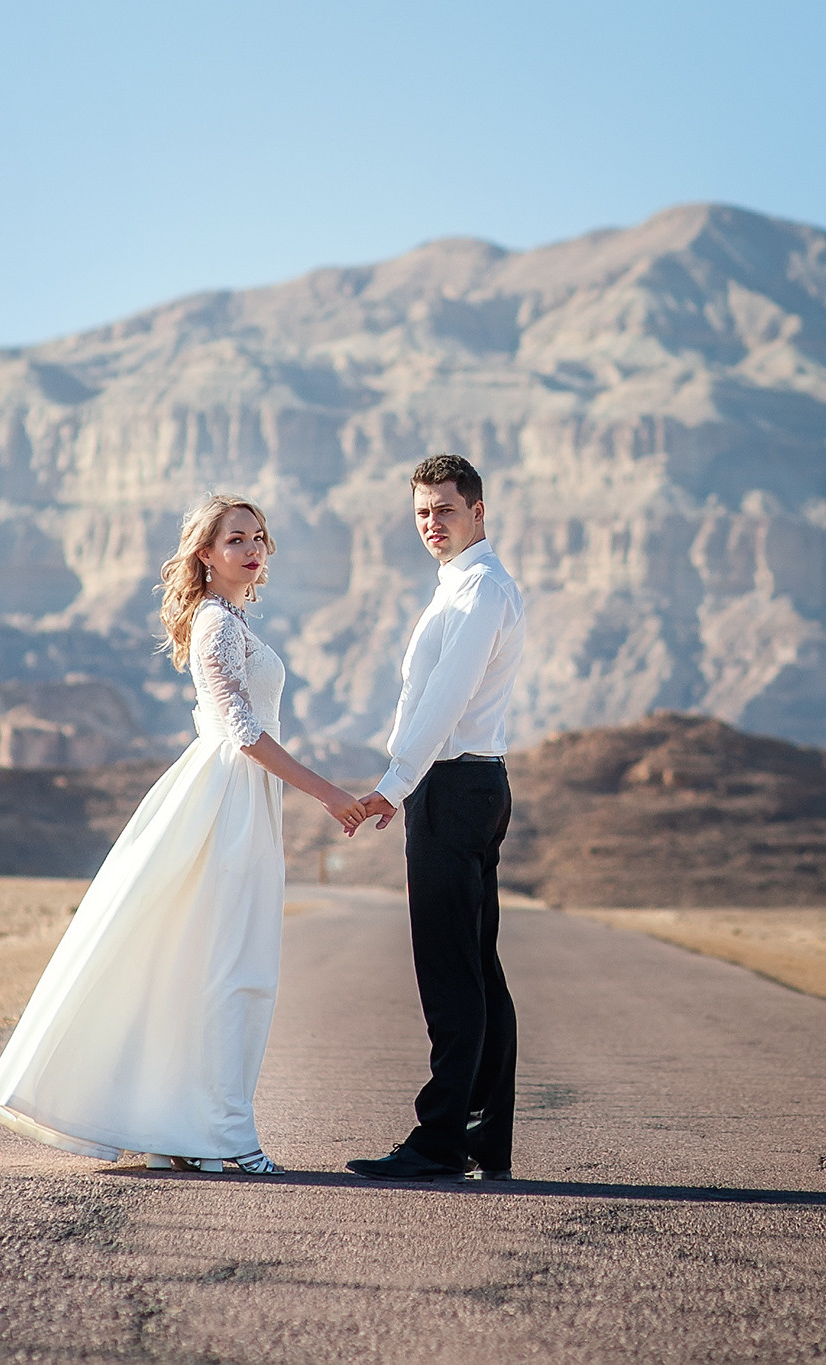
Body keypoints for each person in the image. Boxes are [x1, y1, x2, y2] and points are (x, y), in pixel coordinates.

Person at [0, 494, 367, 1174]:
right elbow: (243, 733)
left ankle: (180, 1129)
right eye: (235, 539)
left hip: (241, 799)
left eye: (259, 537)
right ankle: (223, 1136)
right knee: (231, 967)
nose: (252, 548)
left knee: (211, 964)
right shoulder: (216, 622)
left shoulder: (232, 619)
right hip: (224, 803)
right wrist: (330, 795)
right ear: (205, 555)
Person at [347, 453, 528, 1182]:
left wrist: (394, 785)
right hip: (465, 784)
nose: (432, 523)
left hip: (453, 788)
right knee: (476, 966)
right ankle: (484, 1136)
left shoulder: (480, 590)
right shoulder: (461, 585)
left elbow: (447, 697)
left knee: (451, 970)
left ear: (478, 511)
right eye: (422, 512)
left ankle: (440, 1141)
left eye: (445, 509)